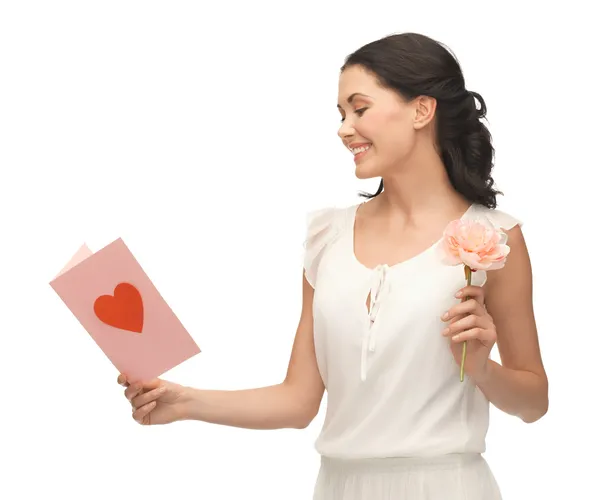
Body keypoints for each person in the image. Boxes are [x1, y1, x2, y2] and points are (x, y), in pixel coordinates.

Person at [117, 32, 549, 499]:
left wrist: (483, 368)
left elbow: (534, 401)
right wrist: (184, 401)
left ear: (422, 111)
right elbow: (299, 401)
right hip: (339, 486)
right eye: (341, 114)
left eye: (359, 109)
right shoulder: (329, 239)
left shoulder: (494, 237)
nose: (344, 128)